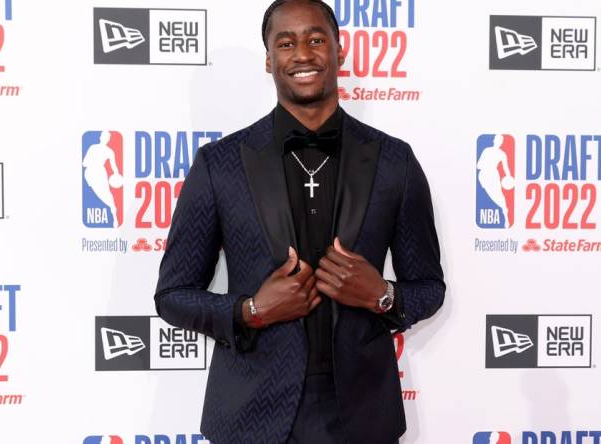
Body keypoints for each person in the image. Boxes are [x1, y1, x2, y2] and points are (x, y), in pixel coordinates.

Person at [154, 1, 446, 442]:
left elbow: (428, 288)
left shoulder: (394, 161)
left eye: (315, 39)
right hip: (251, 415)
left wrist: (381, 295)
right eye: (286, 43)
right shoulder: (220, 165)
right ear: (270, 59)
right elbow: (172, 296)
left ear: (339, 51)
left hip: (362, 415)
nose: (303, 54)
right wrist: (250, 311)